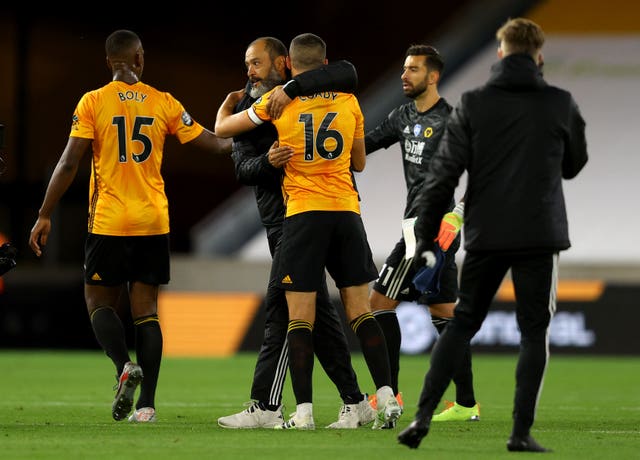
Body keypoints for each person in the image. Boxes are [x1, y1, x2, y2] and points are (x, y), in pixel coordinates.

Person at [397, 18, 588, 452]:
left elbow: (442, 177)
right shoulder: (560, 103)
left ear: (500, 54)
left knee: (462, 323)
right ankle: (520, 434)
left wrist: (427, 238)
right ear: (538, 57)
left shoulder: (473, 104)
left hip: (486, 232)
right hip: (540, 233)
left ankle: (421, 420)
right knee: (534, 331)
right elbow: (574, 165)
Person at [28, 29, 232, 423]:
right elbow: (216, 143)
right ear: (139, 59)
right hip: (153, 221)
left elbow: (69, 162)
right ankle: (147, 407)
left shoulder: (93, 102)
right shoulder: (164, 102)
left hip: (108, 220)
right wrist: (251, 125)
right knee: (147, 312)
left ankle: (124, 365)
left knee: (98, 303)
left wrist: (44, 213)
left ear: (109, 63)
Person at [215, 33, 401, 430]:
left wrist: (231, 108)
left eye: (256, 62)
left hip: (299, 217)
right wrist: (267, 160)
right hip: (346, 212)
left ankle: (289, 410)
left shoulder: (275, 104)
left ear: (285, 64)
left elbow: (223, 129)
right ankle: (372, 398)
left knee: (290, 315)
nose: (249, 70)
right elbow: (360, 162)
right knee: (351, 313)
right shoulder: (348, 101)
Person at [363, 44, 479, 428]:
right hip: (416, 227)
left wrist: (458, 215)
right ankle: (466, 403)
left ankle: (389, 393)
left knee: (378, 303)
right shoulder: (402, 116)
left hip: (430, 229)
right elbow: (364, 146)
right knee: (445, 313)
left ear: (433, 76)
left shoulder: (453, 118)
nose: (404, 75)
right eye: (404, 68)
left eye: (413, 69)